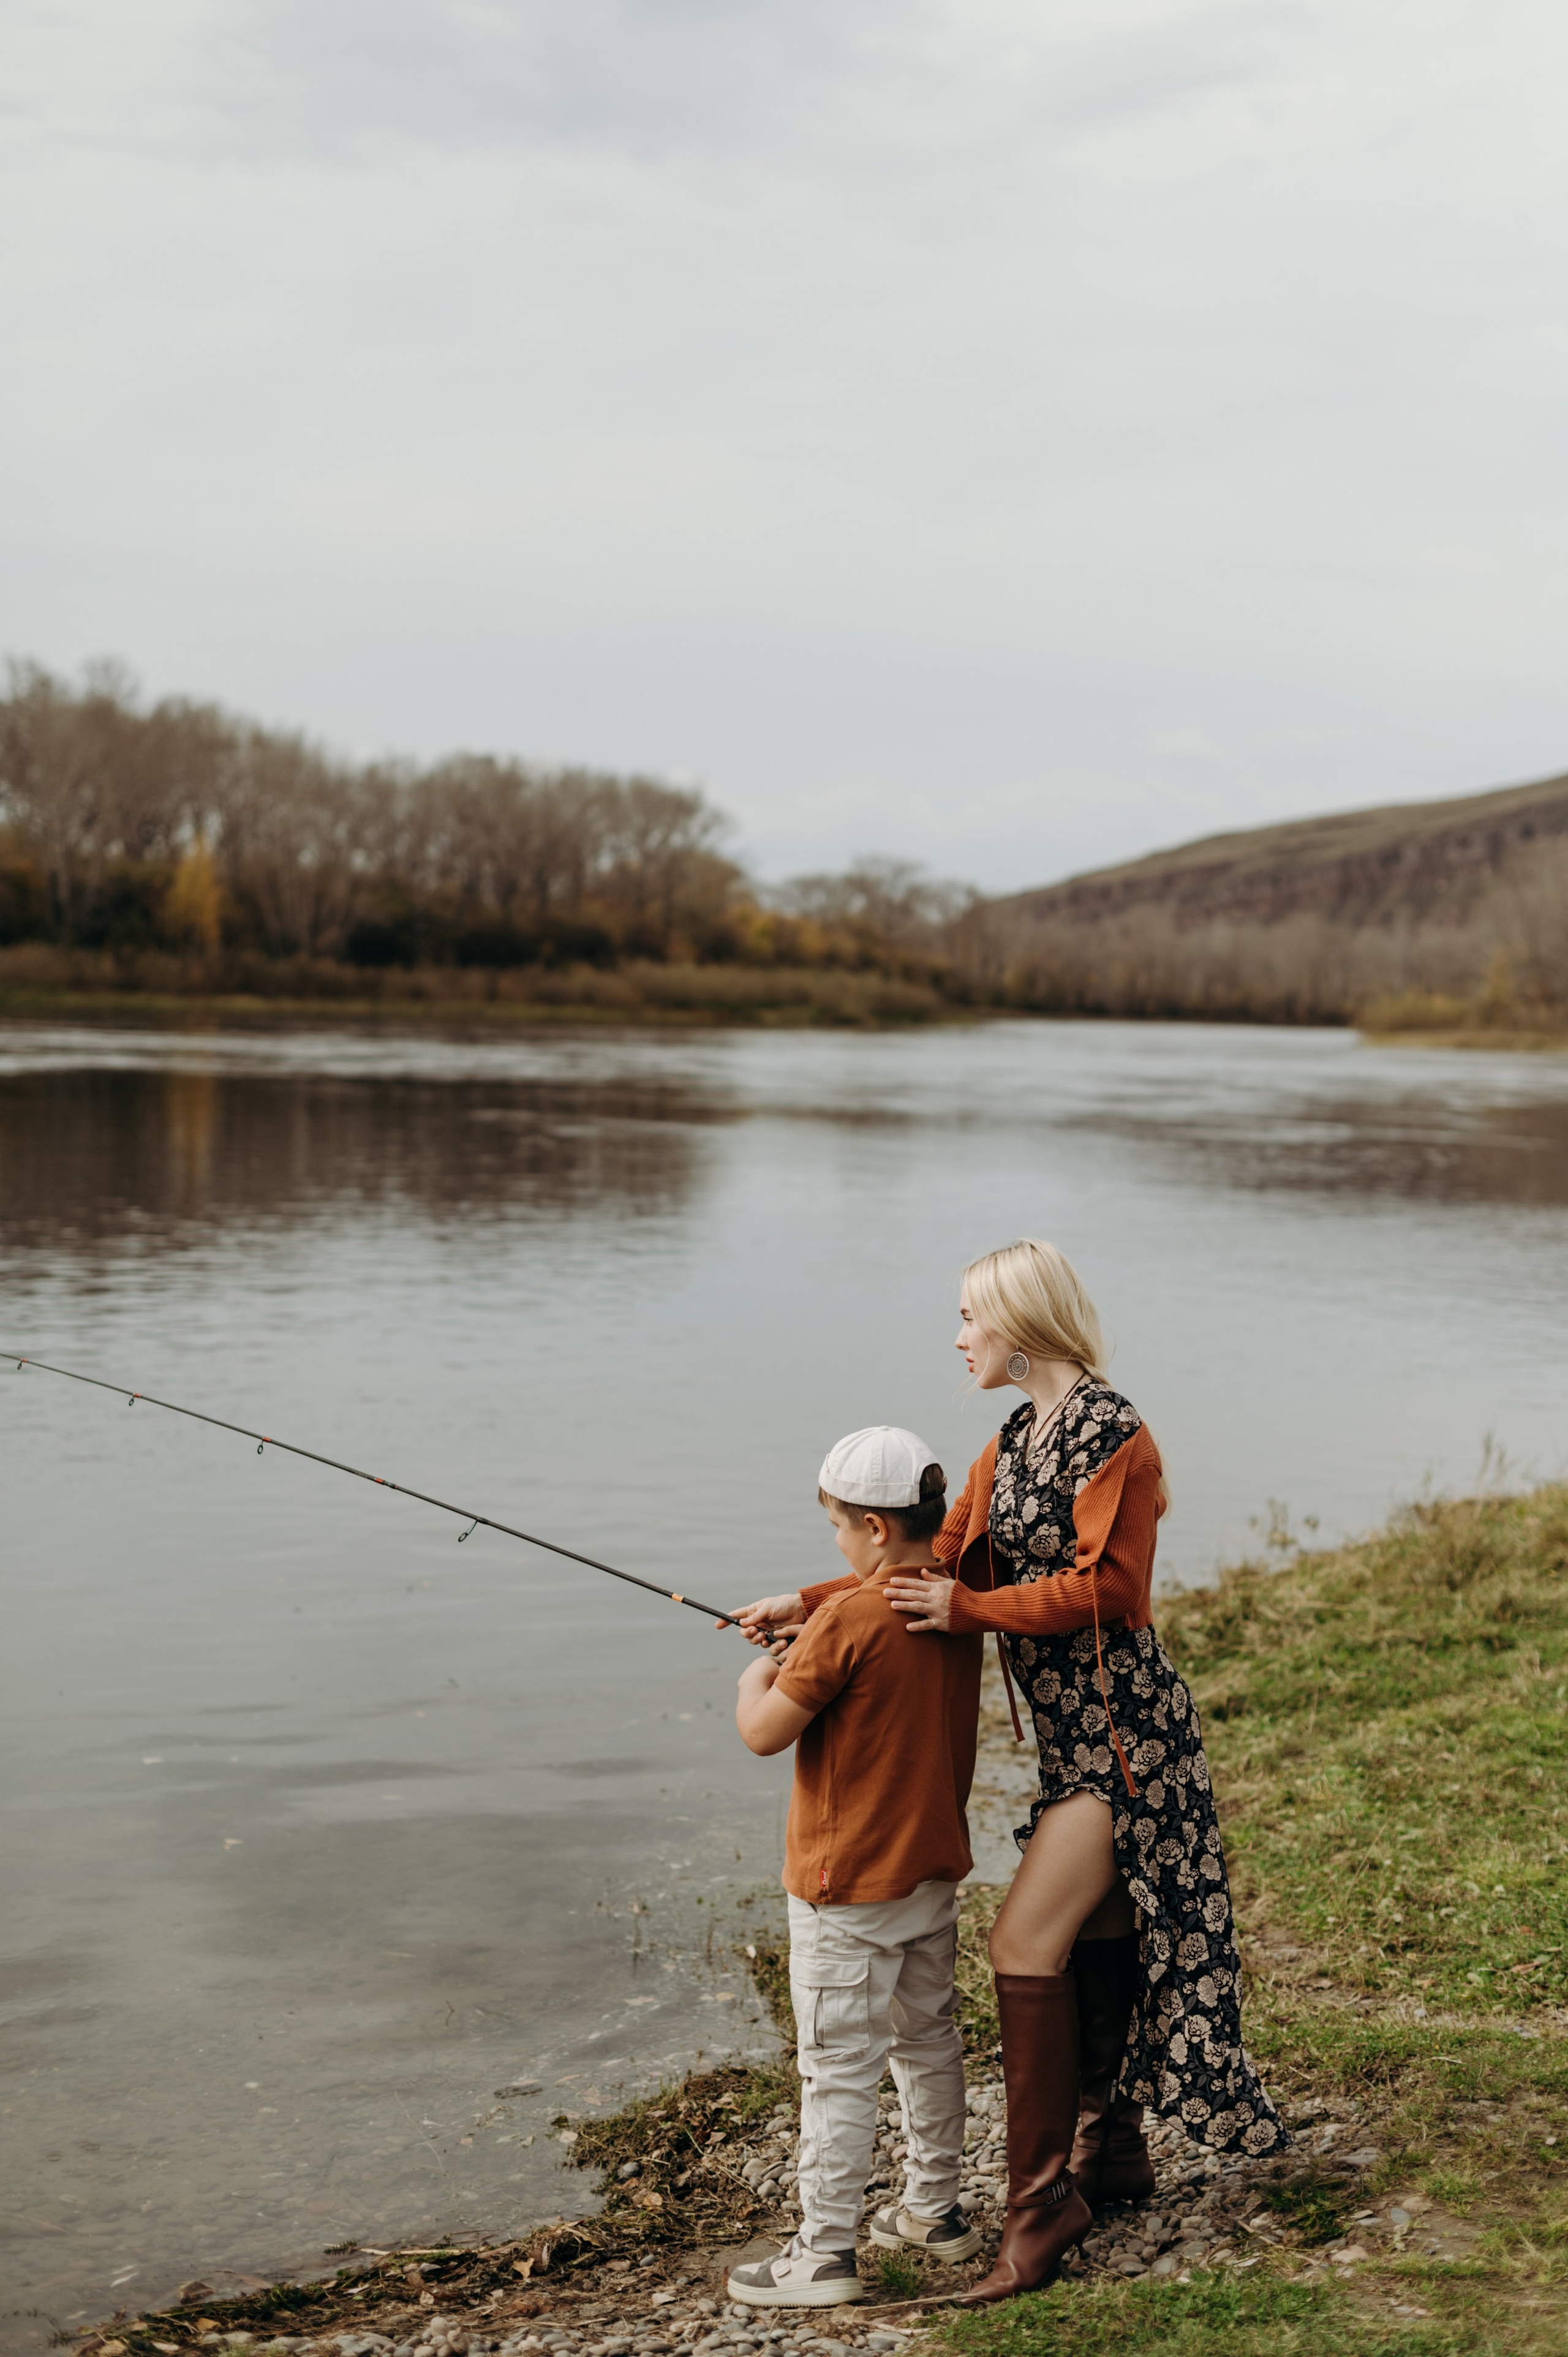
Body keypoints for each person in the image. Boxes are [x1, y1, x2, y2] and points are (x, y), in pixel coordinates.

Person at [733, 1239, 1286, 2308]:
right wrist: (809, 1603)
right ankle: (1109, 2152)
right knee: (1102, 1939)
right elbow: (934, 1563)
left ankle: (1038, 2215)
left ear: (1023, 1326)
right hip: (1073, 1744)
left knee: (1021, 1943)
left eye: (969, 1318)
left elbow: (1114, 1590)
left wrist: (973, 1611)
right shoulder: (1012, 1441)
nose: (959, 1339)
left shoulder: (1112, 1433)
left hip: (1128, 1744)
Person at [725, 1426, 985, 2310]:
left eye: (838, 1527)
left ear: (873, 1528)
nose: (836, 1543)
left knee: (836, 2068)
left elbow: (764, 1732)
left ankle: (824, 2253)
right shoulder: (952, 1603)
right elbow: (876, 1659)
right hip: (929, 1875)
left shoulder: (846, 1621)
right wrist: (809, 1629)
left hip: (845, 1891)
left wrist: (758, 1677)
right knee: (928, 2040)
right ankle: (933, 2212)